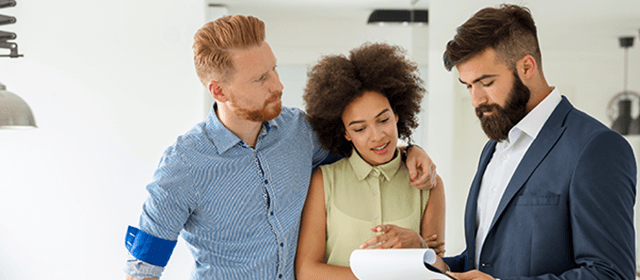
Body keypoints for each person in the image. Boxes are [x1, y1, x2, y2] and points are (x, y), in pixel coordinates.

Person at [122, 15, 438, 280]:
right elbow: (142, 270)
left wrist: (411, 151)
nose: (278, 84)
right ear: (219, 90)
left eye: (274, 68)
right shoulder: (183, 166)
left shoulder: (301, 132)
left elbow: (365, 144)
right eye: (260, 78)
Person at [434, 4, 637, 280]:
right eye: (469, 86)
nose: (476, 100)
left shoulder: (596, 147)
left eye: (486, 82)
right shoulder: (493, 148)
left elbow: (610, 274)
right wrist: (434, 266)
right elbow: (484, 261)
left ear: (527, 66)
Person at [294, 43, 446, 280]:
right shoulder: (323, 182)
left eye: (383, 120)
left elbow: (440, 271)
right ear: (345, 132)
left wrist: (420, 246)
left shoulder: (428, 184)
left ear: (396, 114)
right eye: (360, 128)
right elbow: (306, 271)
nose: (377, 136)